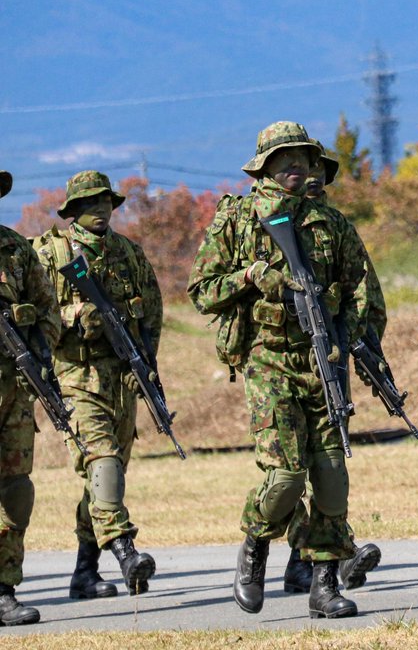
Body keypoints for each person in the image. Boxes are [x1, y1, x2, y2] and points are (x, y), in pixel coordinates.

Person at [188, 121, 373, 619]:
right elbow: (202, 291)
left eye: (303, 159)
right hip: (268, 362)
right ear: (264, 166)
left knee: (332, 476)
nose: (296, 167)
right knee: (287, 477)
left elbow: (363, 292)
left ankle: (324, 584)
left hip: (323, 362)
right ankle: (255, 543)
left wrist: (342, 335)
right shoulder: (237, 219)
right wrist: (251, 276)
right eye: (284, 159)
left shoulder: (331, 224)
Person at [33, 171, 161, 598]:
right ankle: (125, 552)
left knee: (107, 477)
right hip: (74, 377)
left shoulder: (129, 253)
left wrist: (147, 364)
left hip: (121, 381)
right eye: (90, 203)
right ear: (73, 211)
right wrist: (75, 319)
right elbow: (34, 314)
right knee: (101, 462)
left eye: (106, 201)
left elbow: (151, 315)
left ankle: (84, 573)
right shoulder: (51, 255)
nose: (101, 209)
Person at [280, 146, 382, 595]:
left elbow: (365, 291)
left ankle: (319, 560)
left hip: (331, 354)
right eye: (308, 169)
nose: (315, 177)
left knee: (328, 461)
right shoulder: (269, 222)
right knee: (287, 468)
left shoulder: (337, 228)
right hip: (281, 360)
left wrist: (364, 345)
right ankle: (322, 553)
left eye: (322, 170)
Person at [0, 170, 63, 624]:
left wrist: (38, 350)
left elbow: (48, 310)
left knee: (16, 490)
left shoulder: (16, 249)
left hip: (14, 388)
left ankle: (4, 588)